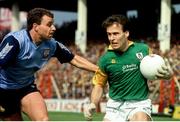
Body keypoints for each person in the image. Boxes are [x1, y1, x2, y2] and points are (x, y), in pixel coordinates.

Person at [0, 8, 98, 121]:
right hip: (3, 90)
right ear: (36, 26)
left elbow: (74, 59)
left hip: (25, 88)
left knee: (44, 120)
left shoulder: (51, 44)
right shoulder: (16, 41)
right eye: (49, 25)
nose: (54, 28)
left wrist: (99, 70)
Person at [84, 15, 172, 121]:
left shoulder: (143, 50)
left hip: (139, 104)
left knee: (140, 119)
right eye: (109, 34)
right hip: (115, 106)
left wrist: (167, 76)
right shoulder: (105, 59)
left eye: (116, 34)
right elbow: (99, 85)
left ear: (126, 33)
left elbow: (153, 73)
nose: (112, 38)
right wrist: (93, 103)